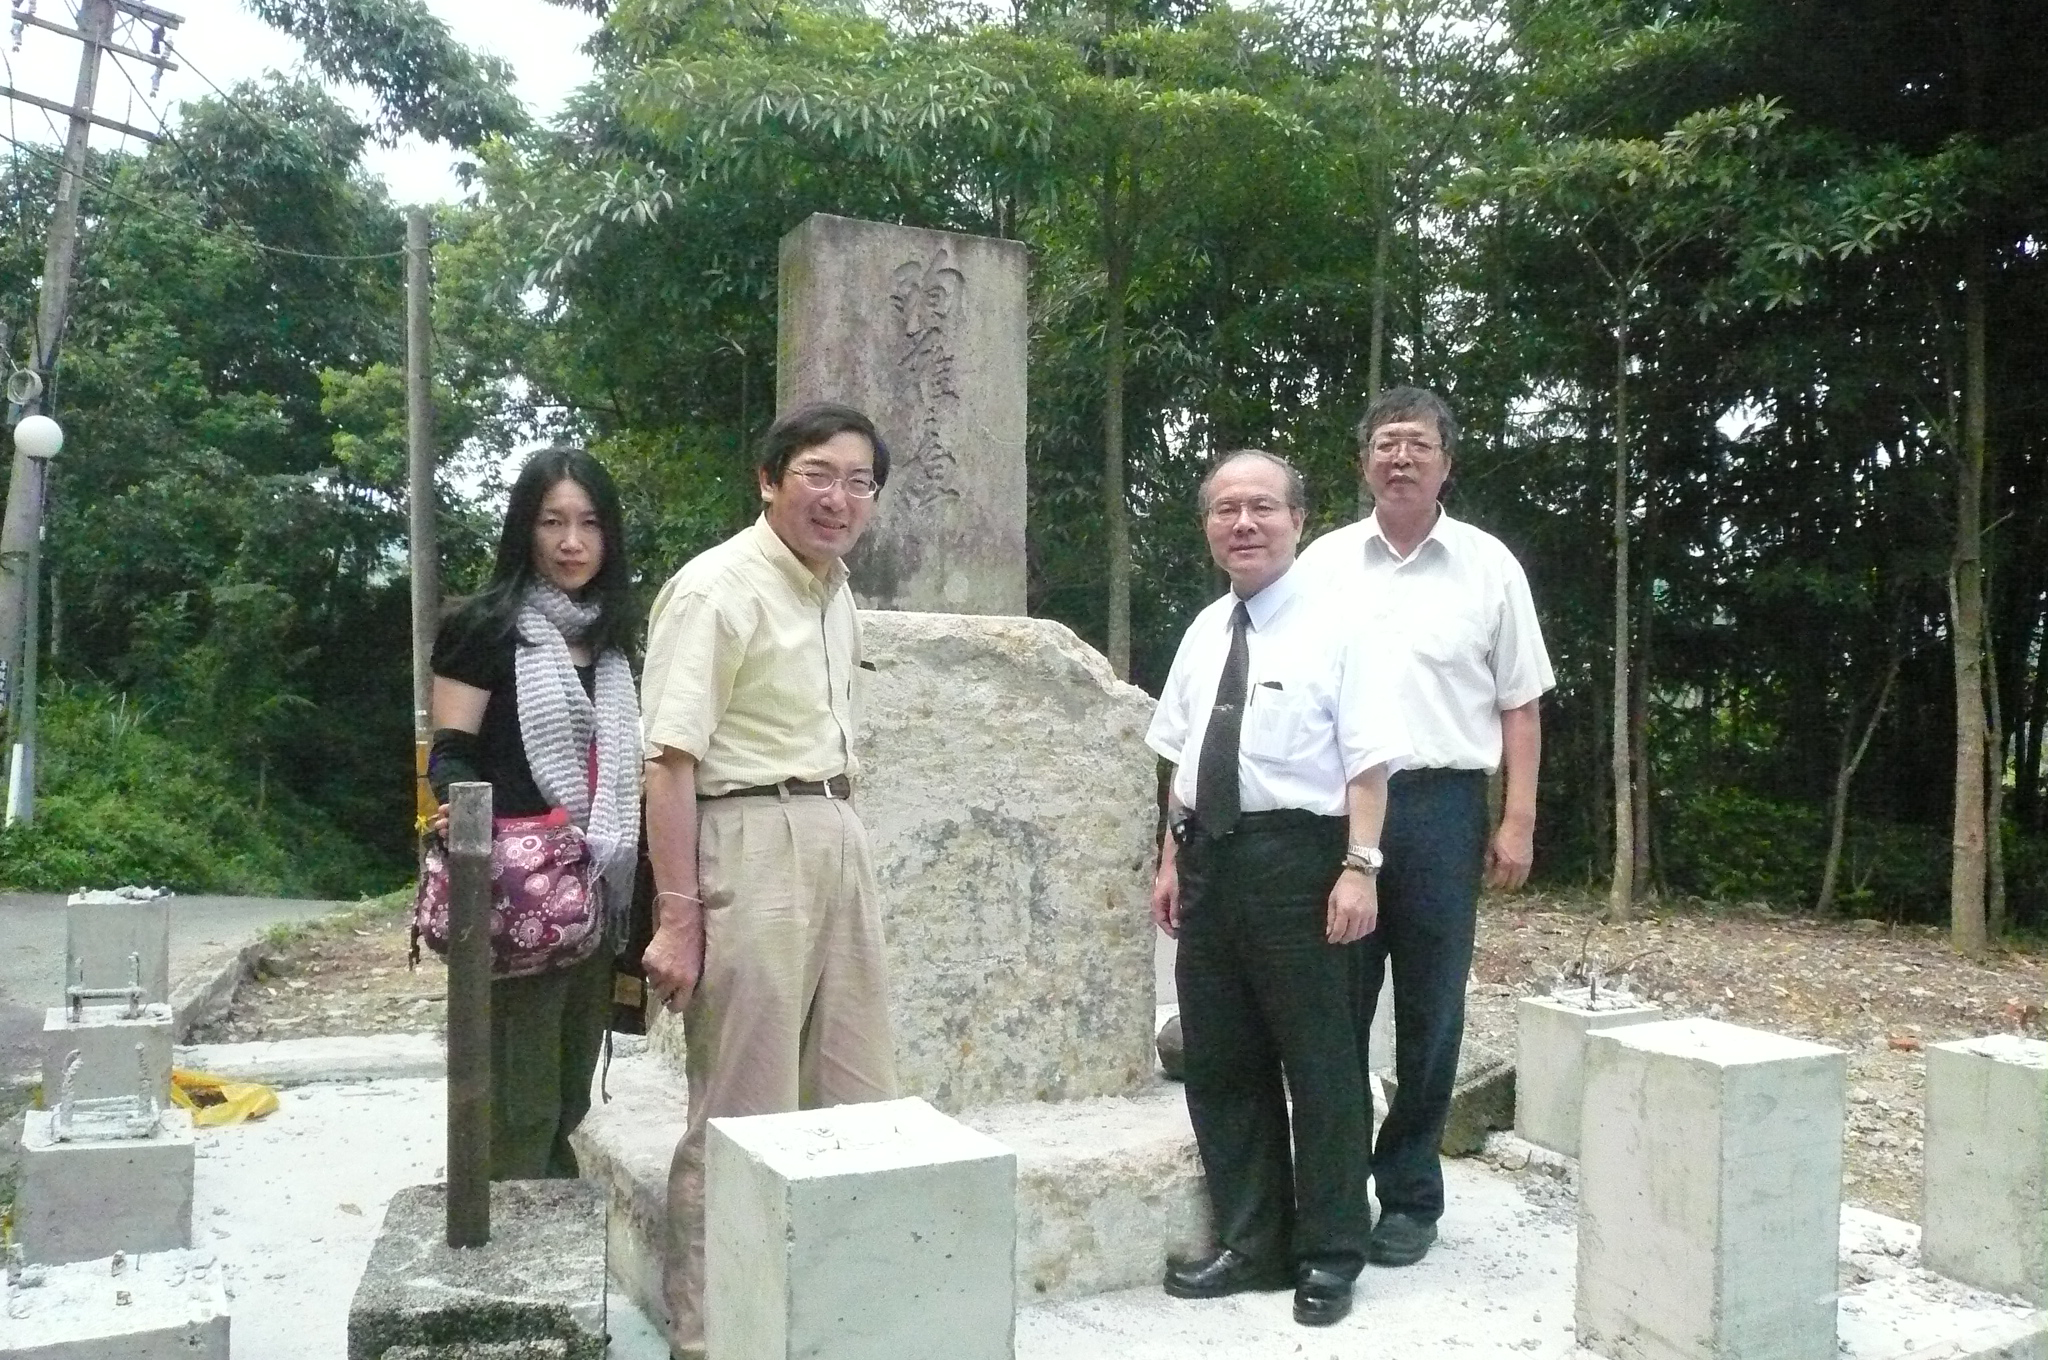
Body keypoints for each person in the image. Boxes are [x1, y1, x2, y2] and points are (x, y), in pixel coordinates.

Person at [638, 402, 900, 1359]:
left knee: (862, 1095)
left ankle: (840, 1321)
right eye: (818, 474)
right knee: (745, 1111)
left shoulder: (835, 592)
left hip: (836, 830)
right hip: (746, 840)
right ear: (769, 477)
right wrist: (678, 917)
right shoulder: (718, 589)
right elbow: (667, 763)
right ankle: (712, 1337)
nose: (839, 498)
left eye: (859, 481)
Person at [1148, 450, 1409, 1328]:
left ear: (1299, 520)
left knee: (1322, 1063)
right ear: (1209, 528)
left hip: (1306, 864)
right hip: (1211, 863)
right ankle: (1251, 1242)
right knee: (1221, 1061)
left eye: (1263, 507)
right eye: (1226, 510)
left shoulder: (1344, 628)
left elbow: (1370, 769)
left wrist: (1359, 869)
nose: (1244, 524)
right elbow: (1181, 758)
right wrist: (1170, 858)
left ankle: (1332, 1251)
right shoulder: (1202, 631)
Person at [1296, 385, 1554, 1267]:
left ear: (1447, 462)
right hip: (1339, 811)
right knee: (1335, 1004)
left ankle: (1410, 1192)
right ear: (1361, 460)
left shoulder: (1489, 566)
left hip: (1445, 807)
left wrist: (1515, 820)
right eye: (1384, 444)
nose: (1399, 458)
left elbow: (1520, 704)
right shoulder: (1324, 562)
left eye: (1417, 445)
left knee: (1431, 1008)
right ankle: (1329, 1186)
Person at [425, 445, 642, 1180]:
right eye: (552, 522)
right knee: (517, 1103)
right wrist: (489, 824)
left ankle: (552, 1243)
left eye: (588, 523)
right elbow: (449, 757)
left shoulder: (615, 646)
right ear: (526, 530)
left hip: (596, 894)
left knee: (572, 1096)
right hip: (517, 898)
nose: (571, 542)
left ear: (609, 536)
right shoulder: (484, 627)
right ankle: (506, 1258)